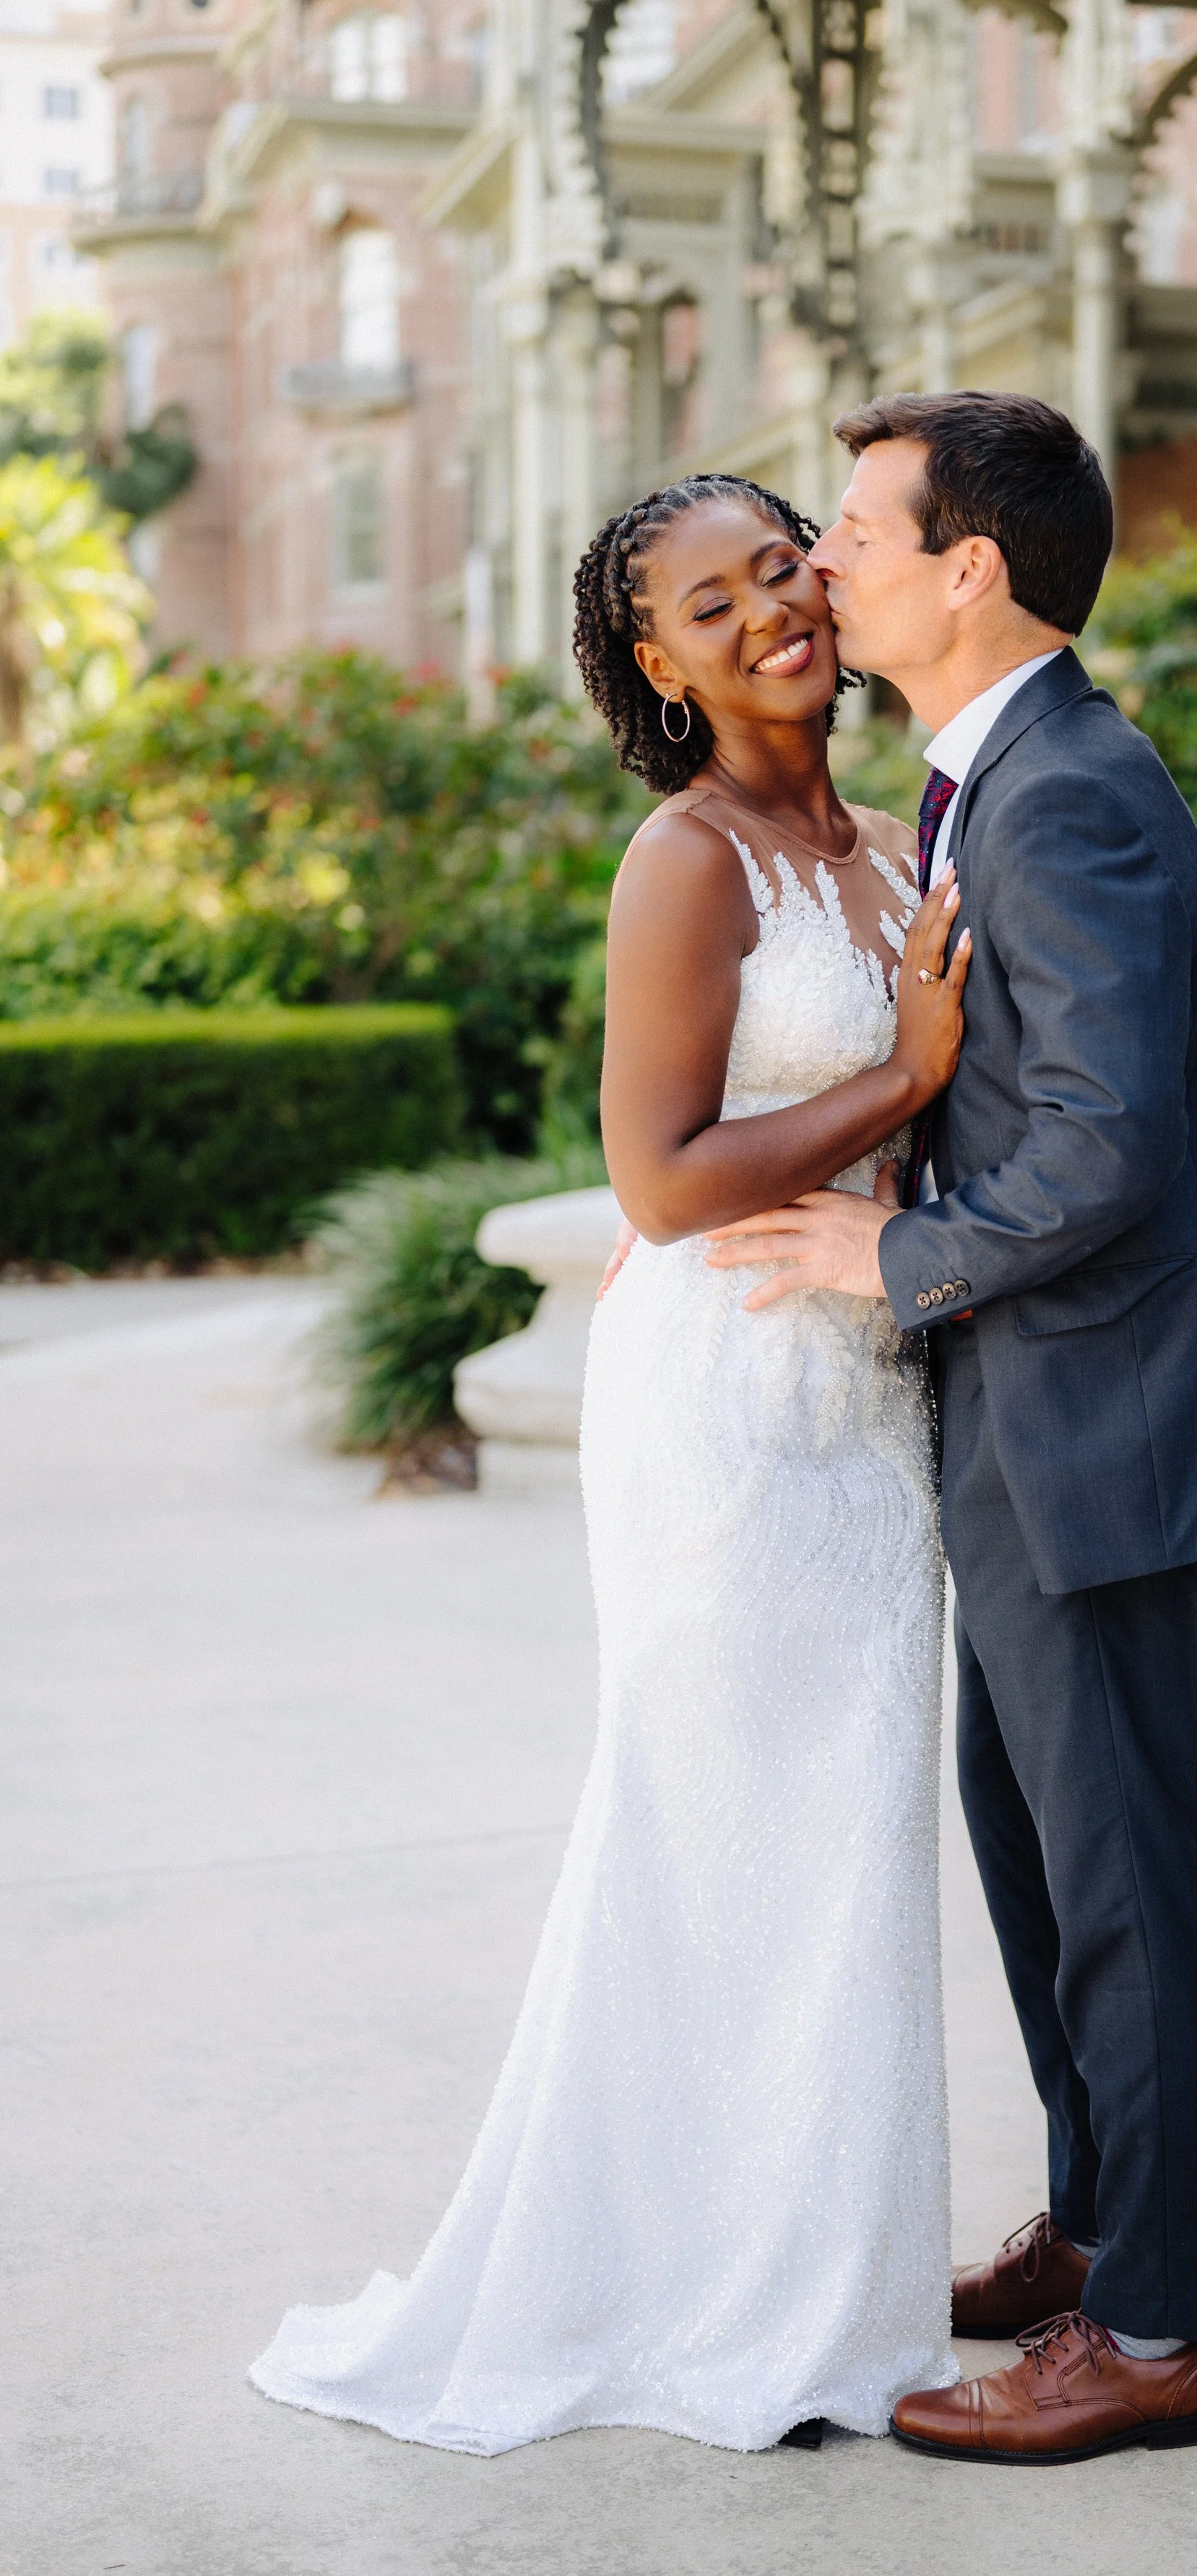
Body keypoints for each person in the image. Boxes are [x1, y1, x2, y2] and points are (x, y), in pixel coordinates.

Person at [249, 473, 972, 2455]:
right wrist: (901, 1075)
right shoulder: (691, 857)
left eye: (779, 569)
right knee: (710, 1827)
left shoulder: (880, 833)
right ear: (657, 659)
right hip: (730, 1411)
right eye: (710, 601)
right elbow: (653, 1174)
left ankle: (827, 2285)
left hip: (871, 1401)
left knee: (841, 1852)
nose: (767, 614)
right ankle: (692, 2289)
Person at [707, 391, 1197, 2466]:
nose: (825, 560)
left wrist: (903, 1259)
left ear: (972, 567)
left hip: (1101, 1413)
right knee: (1039, 1848)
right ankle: (1099, 2227)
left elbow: (1116, 1141)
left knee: (1121, 1869)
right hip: (1033, 1412)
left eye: (858, 530)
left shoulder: (1070, 794)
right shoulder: (986, 775)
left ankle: (1159, 2333)